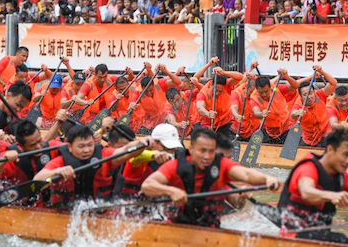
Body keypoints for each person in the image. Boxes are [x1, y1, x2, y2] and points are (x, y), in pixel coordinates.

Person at [141, 128, 280, 228]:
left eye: (211, 152)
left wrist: (266, 179)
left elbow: (245, 176)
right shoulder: (174, 166)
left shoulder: (221, 165)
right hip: (176, 228)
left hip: (210, 231)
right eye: (202, 151)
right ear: (191, 149)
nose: (207, 157)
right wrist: (171, 192)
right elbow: (147, 186)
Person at [278, 123, 348, 245]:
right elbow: (306, 192)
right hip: (294, 236)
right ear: (331, 149)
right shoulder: (309, 168)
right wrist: (332, 196)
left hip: (319, 235)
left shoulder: (341, 176)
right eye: (346, 154)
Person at [33, 126, 150, 207]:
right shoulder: (61, 161)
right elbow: (37, 179)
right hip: (65, 212)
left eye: (90, 145)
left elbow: (126, 151)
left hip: (99, 210)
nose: (87, 150)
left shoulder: (104, 155)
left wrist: (141, 143)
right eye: (81, 146)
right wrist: (58, 171)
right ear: (69, 146)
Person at [113, 123, 180, 200]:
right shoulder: (137, 155)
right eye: (166, 148)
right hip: (125, 206)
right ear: (153, 143)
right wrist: (155, 154)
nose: (170, 152)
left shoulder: (172, 160)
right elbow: (135, 155)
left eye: (173, 149)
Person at [0, 119, 66, 183]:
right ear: (21, 145)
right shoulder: (11, 156)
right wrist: (3, 160)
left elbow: (71, 149)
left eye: (39, 140)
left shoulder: (51, 146)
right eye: (32, 145)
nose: (39, 147)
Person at [290, 66, 337, 147]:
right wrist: (296, 113)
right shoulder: (299, 104)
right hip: (308, 138)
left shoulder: (319, 95)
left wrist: (321, 71)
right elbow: (292, 114)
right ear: (301, 97)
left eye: (311, 93)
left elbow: (333, 83)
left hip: (324, 134)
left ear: (314, 92)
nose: (309, 97)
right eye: (305, 95)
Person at [249, 70, 296, 144]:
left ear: (270, 87)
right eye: (261, 92)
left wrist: (287, 77)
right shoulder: (254, 98)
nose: (264, 94)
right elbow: (256, 112)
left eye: (266, 91)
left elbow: (295, 86)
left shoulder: (275, 88)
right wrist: (261, 114)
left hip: (286, 125)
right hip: (270, 131)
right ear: (256, 89)